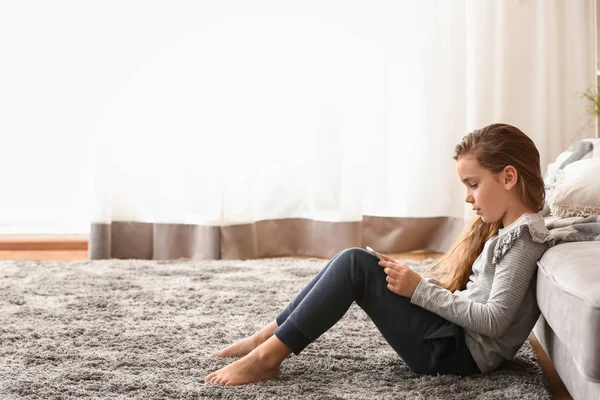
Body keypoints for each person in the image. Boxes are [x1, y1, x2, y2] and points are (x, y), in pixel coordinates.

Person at [203, 123, 555, 386]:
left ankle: (266, 357)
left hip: (456, 354)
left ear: (508, 177)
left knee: (356, 266)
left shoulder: (524, 238)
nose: (467, 197)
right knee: (354, 260)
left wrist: (419, 290)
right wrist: (420, 288)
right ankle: (266, 338)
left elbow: (494, 321)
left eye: (473, 184)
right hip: (450, 338)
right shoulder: (511, 231)